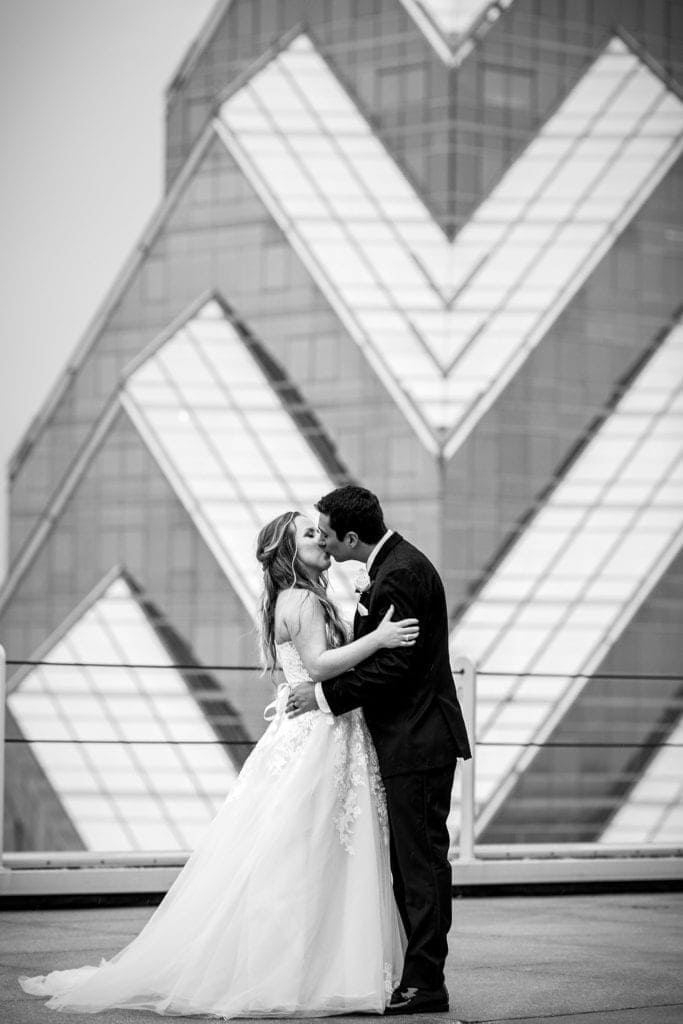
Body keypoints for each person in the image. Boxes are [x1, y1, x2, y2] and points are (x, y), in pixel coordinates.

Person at [18, 509, 420, 1018]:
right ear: (289, 552)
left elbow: (297, 673)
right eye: (310, 533)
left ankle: (310, 966)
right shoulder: (303, 600)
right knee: (311, 852)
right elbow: (317, 667)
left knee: (304, 852)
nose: (321, 538)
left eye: (321, 531)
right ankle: (312, 970)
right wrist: (379, 640)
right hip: (320, 738)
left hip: (314, 733)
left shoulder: (291, 599)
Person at [287, 485, 471, 1016]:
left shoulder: (401, 574)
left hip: (418, 738)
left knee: (420, 865)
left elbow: (396, 666)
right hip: (409, 738)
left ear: (350, 537)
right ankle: (418, 975)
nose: (321, 537)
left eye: (325, 531)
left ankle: (425, 982)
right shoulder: (393, 566)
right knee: (409, 863)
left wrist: (321, 696)